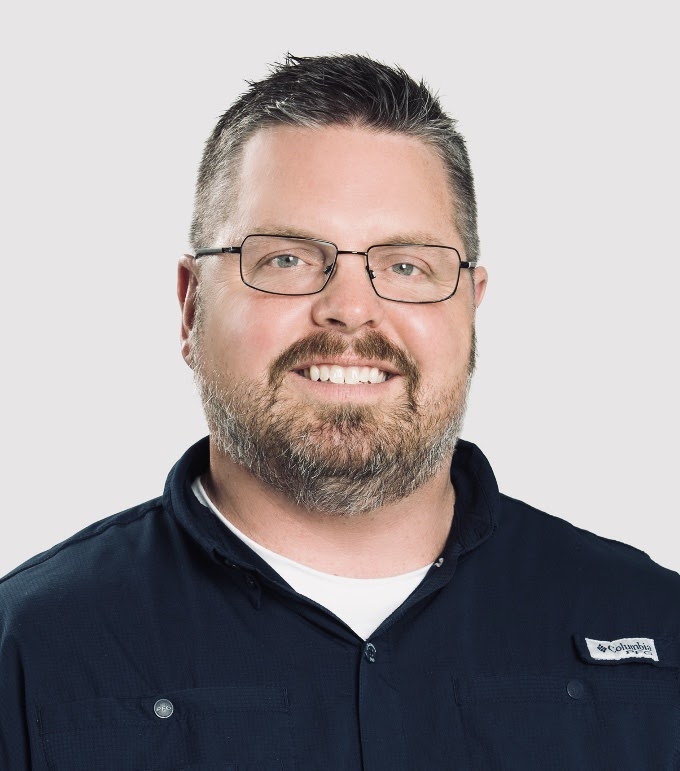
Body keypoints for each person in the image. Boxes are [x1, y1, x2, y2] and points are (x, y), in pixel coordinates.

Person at [1, 54, 678, 771]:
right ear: (192, 306)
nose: (351, 308)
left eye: (407, 266)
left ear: (471, 307)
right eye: (286, 259)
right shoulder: (28, 650)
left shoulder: (654, 623)